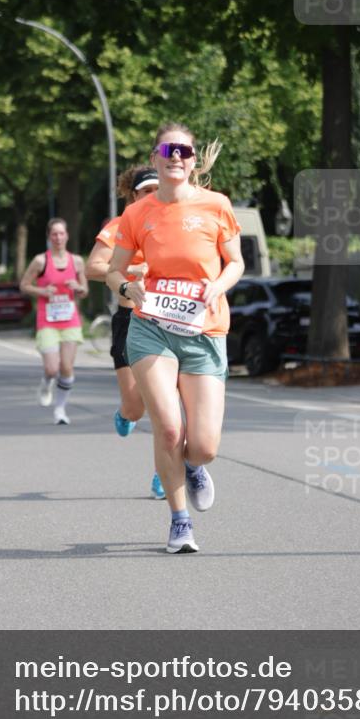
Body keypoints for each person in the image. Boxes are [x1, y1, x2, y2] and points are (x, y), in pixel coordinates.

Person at [107, 124, 244, 554]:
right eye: (169, 149)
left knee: (203, 446)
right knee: (168, 428)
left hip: (204, 330)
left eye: (184, 150)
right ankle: (179, 521)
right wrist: (128, 289)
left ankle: (193, 465)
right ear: (155, 157)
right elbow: (113, 271)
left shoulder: (216, 205)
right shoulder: (137, 213)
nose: (177, 156)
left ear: (192, 157)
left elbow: (236, 261)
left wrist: (218, 286)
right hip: (151, 328)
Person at [86, 165, 166, 500]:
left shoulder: (172, 225)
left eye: (155, 190)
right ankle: (125, 414)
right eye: (145, 191)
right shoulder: (120, 226)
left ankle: (165, 472)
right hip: (128, 319)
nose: (151, 196)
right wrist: (132, 269)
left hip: (166, 321)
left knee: (166, 404)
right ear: (133, 196)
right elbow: (92, 267)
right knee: (137, 406)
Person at [20, 218, 88, 425]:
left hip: (70, 319)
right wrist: (42, 291)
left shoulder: (76, 261)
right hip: (47, 320)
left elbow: (84, 291)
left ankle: (60, 409)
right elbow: (24, 284)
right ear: (49, 237)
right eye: (54, 234)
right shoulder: (41, 261)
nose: (58, 238)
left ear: (67, 235)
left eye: (61, 233)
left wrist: (78, 286)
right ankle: (47, 381)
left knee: (66, 367)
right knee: (52, 368)